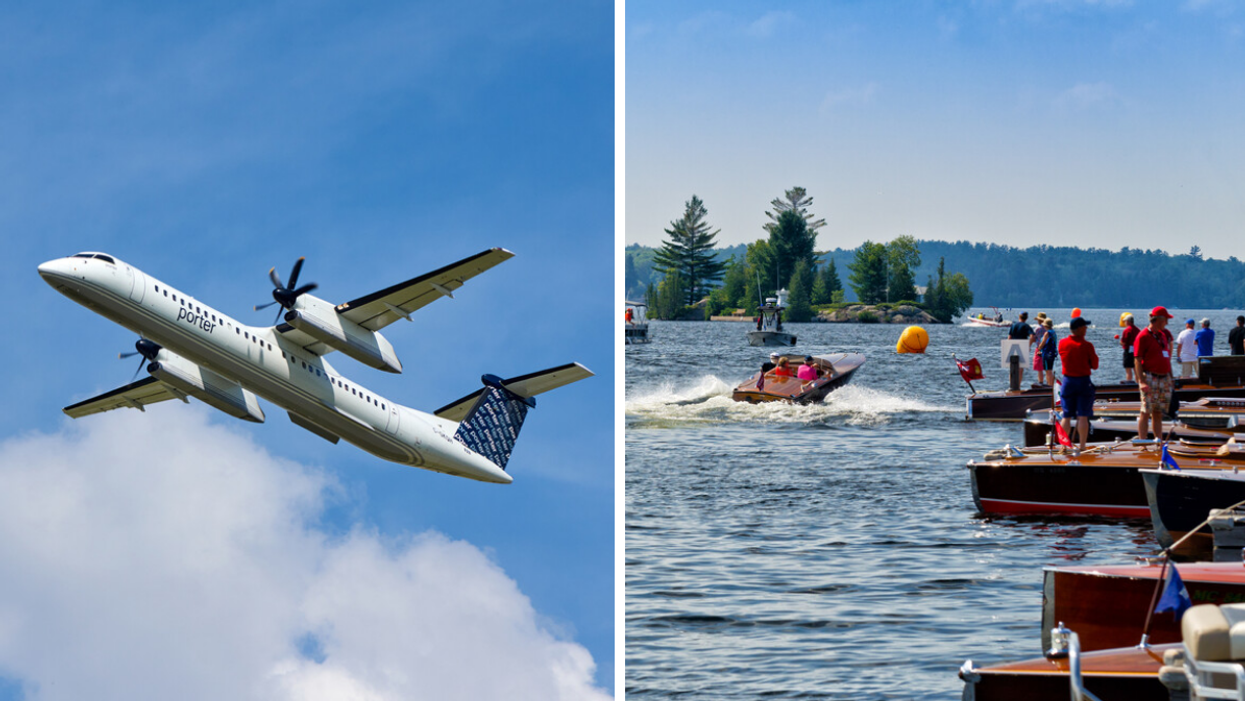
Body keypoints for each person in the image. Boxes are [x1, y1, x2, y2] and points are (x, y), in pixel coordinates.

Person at [1058, 316, 1099, 453]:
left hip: (1068, 381)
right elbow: (1095, 365)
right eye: (1085, 326)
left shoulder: (1062, 343)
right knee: (1083, 416)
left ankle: (1063, 446)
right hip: (1083, 381)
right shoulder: (1087, 346)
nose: (1086, 328)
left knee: (1066, 415)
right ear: (1080, 329)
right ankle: (1082, 446)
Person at [1135, 306, 1175, 440]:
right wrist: (1141, 381)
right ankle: (1142, 443)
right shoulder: (1143, 336)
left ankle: (1159, 441)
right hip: (1150, 377)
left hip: (1164, 378)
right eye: (1165, 320)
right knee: (1145, 411)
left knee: (1158, 412)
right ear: (1158, 320)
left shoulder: (1163, 335)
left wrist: (1171, 377)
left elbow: (1166, 357)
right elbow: (1137, 359)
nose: (1167, 323)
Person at [1008, 312, 1032, 385]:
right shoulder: (1026, 326)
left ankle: (1011, 386)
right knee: (1020, 369)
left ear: (1019, 317)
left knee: (1012, 368)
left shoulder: (1013, 325)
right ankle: (1018, 386)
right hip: (1022, 347)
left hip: (1013, 347)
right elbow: (1032, 336)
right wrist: (1029, 345)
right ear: (1026, 318)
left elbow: (1009, 337)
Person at [1120, 313, 1140, 382]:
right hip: (1136, 351)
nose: (1125, 323)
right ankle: (1138, 383)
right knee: (1136, 369)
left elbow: (1124, 342)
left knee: (1128, 369)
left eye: (1125, 321)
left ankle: (1129, 383)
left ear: (1128, 321)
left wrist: (1120, 342)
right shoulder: (1138, 330)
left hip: (1128, 351)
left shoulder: (1127, 330)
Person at [1030, 313, 1049, 383]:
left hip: (1039, 349)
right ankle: (1050, 384)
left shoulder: (1037, 328)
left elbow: (1033, 338)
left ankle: (1041, 383)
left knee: (1039, 368)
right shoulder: (1048, 329)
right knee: (1048, 368)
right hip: (1048, 350)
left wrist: (1029, 346)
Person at [1039, 317, 1057, 385]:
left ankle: (1049, 385)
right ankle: (1051, 384)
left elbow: (1043, 343)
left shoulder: (1047, 333)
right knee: (1050, 370)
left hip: (1046, 354)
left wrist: (1039, 348)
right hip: (1052, 354)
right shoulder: (1053, 332)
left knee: (1047, 370)